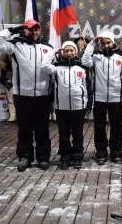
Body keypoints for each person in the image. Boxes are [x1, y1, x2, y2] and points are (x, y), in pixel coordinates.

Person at [0, 20, 53, 172]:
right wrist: (13, 31)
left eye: (36, 29)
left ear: (40, 31)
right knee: (24, 128)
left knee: (42, 129)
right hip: (22, 95)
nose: (34, 32)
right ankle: (25, 157)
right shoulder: (15, 45)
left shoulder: (48, 47)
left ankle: (43, 157)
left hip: (43, 96)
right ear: (24, 31)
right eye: (30, 29)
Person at [81, 30, 122, 164]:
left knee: (116, 126)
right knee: (99, 127)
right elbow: (85, 61)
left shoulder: (121, 57)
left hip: (116, 98)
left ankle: (116, 151)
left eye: (108, 42)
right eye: (103, 43)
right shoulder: (96, 57)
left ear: (113, 42)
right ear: (100, 44)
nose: (106, 45)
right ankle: (101, 151)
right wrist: (92, 44)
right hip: (99, 98)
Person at [42, 41, 87, 169]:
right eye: (66, 51)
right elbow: (44, 65)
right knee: (64, 133)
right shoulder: (56, 68)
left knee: (78, 133)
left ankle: (77, 156)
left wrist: (87, 105)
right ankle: (65, 156)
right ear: (62, 53)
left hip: (78, 106)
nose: (69, 53)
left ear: (75, 52)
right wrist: (54, 52)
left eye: (71, 50)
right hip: (62, 107)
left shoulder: (81, 69)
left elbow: (86, 87)